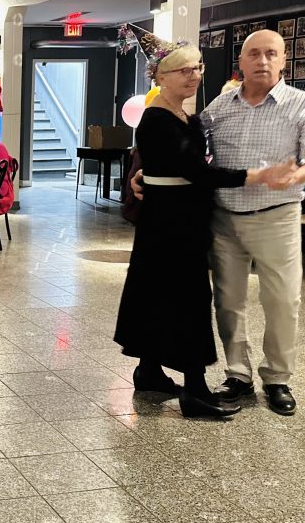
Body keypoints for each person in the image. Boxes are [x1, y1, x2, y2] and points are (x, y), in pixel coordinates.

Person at [114, 26, 293, 419]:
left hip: (178, 217)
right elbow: (196, 170)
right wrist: (256, 176)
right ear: (161, 77)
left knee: (160, 292)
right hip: (171, 223)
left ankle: (149, 370)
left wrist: (146, 176)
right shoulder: (157, 119)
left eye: (197, 68)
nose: (194, 75)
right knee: (189, 297)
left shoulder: (187, 116)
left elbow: (177, 164)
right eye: (184, 70)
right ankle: (194, 389)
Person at [205, 29, 305, 415]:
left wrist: (296, 175)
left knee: (282, 299)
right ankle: (238, 374)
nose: (262, 61)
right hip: (225, 218)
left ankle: (277, 377)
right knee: (228, 300)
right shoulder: (219, 106)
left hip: (277, 216)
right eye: (254, 54)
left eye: (271, 54)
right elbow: (189, 148)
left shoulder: (303, 104)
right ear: (241, 62)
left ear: (283, 61)